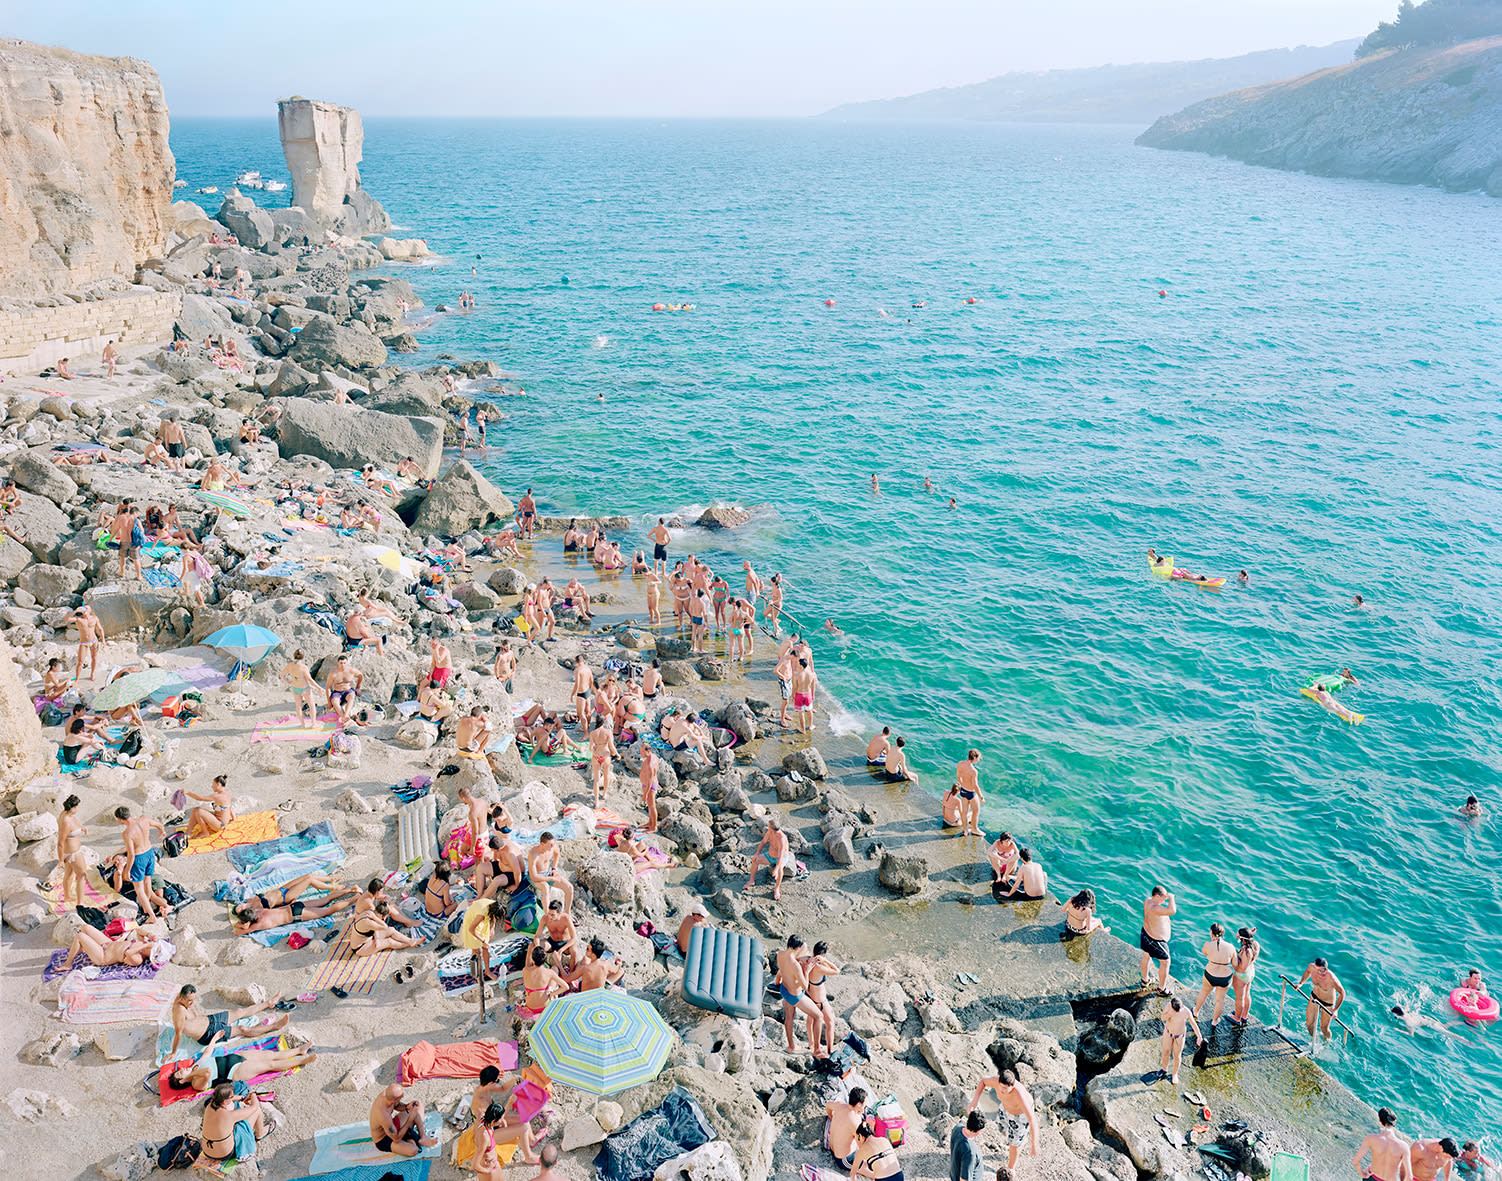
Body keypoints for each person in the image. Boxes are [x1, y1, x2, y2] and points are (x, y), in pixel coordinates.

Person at [169, 1030, 315, 1094]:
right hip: (235, 1072)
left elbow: (207, 1053)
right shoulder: (196, 1084)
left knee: (269, 1055)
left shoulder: (195, 1066)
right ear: (182, 1081)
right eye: (180, 1073)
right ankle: (302, 1060)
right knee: (270, 1065)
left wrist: (214, 1039)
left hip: (233, 1057)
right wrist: (191, 1075)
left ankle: (299, 1050)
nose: (182, 1069)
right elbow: (207, 1072)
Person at [168, 983, 287, 1058]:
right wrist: (173, 1053)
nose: (192, 1003)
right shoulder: (179, 1011)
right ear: (181, 998)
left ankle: (269, 1003)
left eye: (193, 999)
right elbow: (178, 1033)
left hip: (211, 1019)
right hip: (207, 1034)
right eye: (189, 1001)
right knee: (242, 1029)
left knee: (240, 1011)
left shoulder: (183, 996)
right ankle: (274, 1026)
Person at [115, 805, 169, 920]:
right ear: (129, 813)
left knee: (139, 889)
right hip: (150, 853)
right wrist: (162, 832)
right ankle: (147, 908)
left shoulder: (127, 833)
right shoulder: (144, 819)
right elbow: (160, 825)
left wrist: (128, 871)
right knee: (147, 882)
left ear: (120, 820)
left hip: (139, 858)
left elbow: (131, 854)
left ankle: (152, 916)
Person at [775, 935, 826, 1056]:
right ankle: (817, 1049)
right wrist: (807, 970)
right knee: (818, 1016)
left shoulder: (780, 954)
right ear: (797, 947)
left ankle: (791, 1046)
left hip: (784, 989)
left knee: (789, 1018)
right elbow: (804, 986)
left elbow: (782, 970)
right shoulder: (795, 965)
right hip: (795, 996)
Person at [231, 887, 358, 935]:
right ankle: (351, 889)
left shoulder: (259, 924)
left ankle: (354, 899)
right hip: (294, 906)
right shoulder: (259, 910)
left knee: (327, 911)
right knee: (325, 900)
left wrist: (242, 924)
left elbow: (237, 932)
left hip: (296, 915)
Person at [471, 1099, 545, 1173]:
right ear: (494, 1121)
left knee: (524, 1120)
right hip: (492, 1135)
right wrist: (488, 1171)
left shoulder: (486, 1114)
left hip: (492, 1127)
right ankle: (529, 1157)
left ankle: (532, 1140)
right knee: (523, 1128)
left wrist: (510, 1102)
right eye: (501, 1119)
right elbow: (475, 1165)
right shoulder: (485, 1137)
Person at [371, 1084, 438, 1158]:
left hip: (392, 1126)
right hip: (384, 1139)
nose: (403, 1097)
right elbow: (396, 1139)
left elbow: (396, 1105)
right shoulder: (383, 1115)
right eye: (401, 1097)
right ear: (393, 1100)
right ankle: (409, 1137)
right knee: (413, 1150)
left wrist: (407, 1106)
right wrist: (410, 1119)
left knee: (417, 1105)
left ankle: (423, 1137)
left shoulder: (387, 1095)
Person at [1191, 922, 1237, 1028]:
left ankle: (1196, 1012)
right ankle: (1215, 1020)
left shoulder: (1207, 945)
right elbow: (1235, 964)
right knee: (1219, 1000)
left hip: (1210, 974)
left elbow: (1204, 953)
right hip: (1225, 978)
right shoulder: (1231, 947)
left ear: (1212, 934)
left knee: (1204, 992)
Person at [1352, 1107, 1412, 1181]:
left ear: (1380, 1121)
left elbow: (1355, 1161)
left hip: (1372, 1178)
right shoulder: (1404, 1146)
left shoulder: (1371, 1138)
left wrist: (1363, 1174)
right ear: (1394, 1122)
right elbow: (1409, 1177)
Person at [802, 940, 840, 1056]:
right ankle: (829, 1051)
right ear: (823, 954)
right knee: (830, 1023)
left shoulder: (807, 960)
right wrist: (825, 961)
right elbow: (837, 971)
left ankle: (810, 1043)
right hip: (820, 1001)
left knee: (810, 1021)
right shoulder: (819, 967)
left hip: (811, 998)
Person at [348, 900, 422, 958]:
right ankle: (409, 944)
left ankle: (410, 941)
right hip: (360, 947)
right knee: (389, 941)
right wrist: (376, 919)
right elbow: (384, 927)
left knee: (392, 930)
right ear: (381, 915)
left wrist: (377, 939)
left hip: (367, 938)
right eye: (384, 918)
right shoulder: (370, 922)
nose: (384, 920)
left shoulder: (370, 911)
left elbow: (379, 929)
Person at [744, 816, 794, 901]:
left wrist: (776, 869)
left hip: (781, 858)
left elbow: (781, 856)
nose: (767, 827)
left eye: (768, 826)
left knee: (780, 869)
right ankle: (751, 881)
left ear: (772, 829)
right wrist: (756, 853)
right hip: (770, 856)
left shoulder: (782, 839)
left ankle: (777, 888)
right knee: (755, 860)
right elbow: (763, 842)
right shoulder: (770, 833)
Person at [1139, 885, 1177, 996]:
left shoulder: (1148, 901)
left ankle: (1145, 980)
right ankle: (1161, 989)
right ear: (1157, 895)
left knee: (1146, 956)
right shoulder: (1156, 908)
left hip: (1145, 933)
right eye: (1164, 897)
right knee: (1166, 962)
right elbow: (1172, 910)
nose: (1165, 899)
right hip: (1155, 940)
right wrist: (1172, 898)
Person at [1155, 996, 1202, 1085]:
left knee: (1177, 1055)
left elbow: (1193, 1024)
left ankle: (1174, 1074)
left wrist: (1199, 1036)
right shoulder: (1169, 1006)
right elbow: (1162, 1018)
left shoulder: (1186, 1011)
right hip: (1168, 1032)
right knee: (1166, 1051)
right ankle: (1164, 1069)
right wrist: (1170, 1014)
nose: (1178, 1012)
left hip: (1179, 1036)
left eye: (1179, 1010)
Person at [1297, 957, 1347, 1039]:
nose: (1318, 972)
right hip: (1314, 997)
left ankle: (1326, 1043)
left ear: (1326, 969)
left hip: (1328, 1003)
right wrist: (1300, 983)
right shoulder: (1312, 967)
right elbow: (1307, 972)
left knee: (1324, 1029)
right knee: (1309, 1025)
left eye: (1321, 970)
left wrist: (1335, 1010)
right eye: (1317, 970)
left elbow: (1342, 993)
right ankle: (1315, 1041)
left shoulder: (1331, 978)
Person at [526, 832, 574, 911]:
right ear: (542, 844)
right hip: (536, 876)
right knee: (545, 887)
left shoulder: (552, 847)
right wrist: (551, 879)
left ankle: (567, 913)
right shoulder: (533, 854)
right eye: (550, 845)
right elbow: (534, 877)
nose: (553, 846)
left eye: (553, 844)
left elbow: (557, 854)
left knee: (569, 887)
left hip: (548, 873)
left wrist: (554, 868)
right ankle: (547, 916)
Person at [519, 944, 569, 1020]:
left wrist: (529, 951)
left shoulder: (525, 970)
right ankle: (552, 993)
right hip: (544, 1006)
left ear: (533, 959)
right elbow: (566, 987)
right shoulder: (549, 972)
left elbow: (528, 965)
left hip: (530, 1006)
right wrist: (552, 994)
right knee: (555, 969)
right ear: (545, 959)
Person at [55, 794, 87, 909]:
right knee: (82, 875)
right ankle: (80, 902)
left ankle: (67, 896)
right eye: (78, 806)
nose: (79, 808)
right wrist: (60, 860)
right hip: (73, 853)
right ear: (73, 808)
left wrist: (81, 828)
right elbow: (60, 842)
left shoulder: (66, 813)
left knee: (69, 874)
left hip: (70, 853)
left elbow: (74, 825)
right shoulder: (66, 821)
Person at [535, 898, 580, 973]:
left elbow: (574, 938)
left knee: (574, 951)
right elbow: (537, 936)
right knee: (533, 946)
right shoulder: (545, 918)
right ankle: (538, 969)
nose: (550, 917)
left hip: (565, 943)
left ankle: (571, 974)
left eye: (553, 915)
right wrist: (537, 947)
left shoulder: (566, 918)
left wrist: (562, 949)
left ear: (559, 913)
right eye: (549, 913)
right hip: (552, 942)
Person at [183, 773, 234, 838]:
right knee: (195, 810)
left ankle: (205, 832)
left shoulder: (217, 796)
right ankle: (188, 832)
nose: (212, 786)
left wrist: (187, 792)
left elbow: (200, 798)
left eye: (213, 784)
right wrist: (233, 818)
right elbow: (229, 807)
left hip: (219, 825)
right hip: (220, 822)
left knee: (199, 811)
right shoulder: (227, 793)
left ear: (218, 784)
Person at [826, 1087, 868, 1168]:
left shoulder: (839, 1105)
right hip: (843, 1159)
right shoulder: (855, 1121)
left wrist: (831, 1116)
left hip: (832, 1148)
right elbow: (861, 1146)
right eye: (864, 1105)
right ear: (859, 1104)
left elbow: (827, 1105)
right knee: (867, 1168)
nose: (865, 1107)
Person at [588, 713, 619, 809]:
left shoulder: (593, 733)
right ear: (604, 722)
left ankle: (596, 802)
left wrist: (596, 749)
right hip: (605, 756)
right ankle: (604, 794)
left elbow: (590, 748)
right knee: (606, 776)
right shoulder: (608, 732)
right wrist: (617, 755)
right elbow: (611, 747)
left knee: (596, 780)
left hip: (596, 757)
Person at [1230, 926, 1260, 1025]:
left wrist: (1235, 956)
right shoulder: (1255, 944)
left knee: (1239, 998)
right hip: (1250, 973)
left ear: (1243, 939)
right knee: (1247, 995)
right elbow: (1249, 938)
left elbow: (1242, 967)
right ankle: (1244, 1016)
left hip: (1242, 975)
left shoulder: (1246, 951)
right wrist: (1250, 932)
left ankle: (1237, 1018)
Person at [67, 603, 103, 683]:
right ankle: (77, 678)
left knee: (94, 658)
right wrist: (75, 611)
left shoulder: (94, 618)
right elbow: (67, 619)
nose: (85, 610)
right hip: (84, 643)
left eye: (87, 608)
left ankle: (92, 674)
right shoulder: (78, 619)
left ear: (90, 610)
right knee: (80, 662)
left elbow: (100, 629)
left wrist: (103, 640)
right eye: (84, 608)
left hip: (94, 641)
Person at [280, 649, 317, 723]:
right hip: (304, 688)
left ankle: (302, 724)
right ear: (303, 657)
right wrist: (319, 688)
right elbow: (310, 680)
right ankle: (313, 724)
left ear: (294, 655)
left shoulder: (289, 665)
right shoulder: (303, 667)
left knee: (298, 707)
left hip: (295, 688)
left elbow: (281, 675)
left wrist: (288, 682)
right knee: (312, 706)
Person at [325, 655, 363, 724]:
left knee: (352, 696)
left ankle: (345, 715)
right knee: (334, 702)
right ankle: (344, 717)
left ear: (347, 663)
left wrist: (358, 687)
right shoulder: (333, 673)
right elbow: (328, 687)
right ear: (338, 663)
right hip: (337, 692)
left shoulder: (351, 670)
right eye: (341, 663)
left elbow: (360, 676)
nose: (343, 665)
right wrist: (329, 703)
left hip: (348, 691)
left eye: (344, 663)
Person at [950, 1110, 986, 1181]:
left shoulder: (957, 1128)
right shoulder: (970, 1152)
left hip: (954, 1173)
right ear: (979, 1131)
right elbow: (964, 1179)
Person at [955, 749, 983, 837]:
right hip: (971, 793)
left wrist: (962, 783)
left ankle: (965, 830)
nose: (978, 760)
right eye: (978, 758)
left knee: (964, 812)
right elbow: (975, 786)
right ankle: (975, 829)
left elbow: (958, 776)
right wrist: (981, 797)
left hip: (963, 791)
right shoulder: (973, 771)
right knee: (976, 812)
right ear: (974, 757)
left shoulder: (960, 763)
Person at [790, 657, 817, 734]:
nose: (797, 665)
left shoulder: (797, 675)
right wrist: (812, 695)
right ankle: (811, 726)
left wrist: (792, 695)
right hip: (808, 694)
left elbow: (794, 687)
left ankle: (803, 729)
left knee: (801, 713)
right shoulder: (812, 674)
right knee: (809, 711)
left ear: (801, 666)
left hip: (800, 695)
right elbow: (813, 686)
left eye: (798, 664)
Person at [639, 741, 661, 832]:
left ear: (648, 752)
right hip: (647, 784)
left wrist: (645, 794)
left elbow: (650, 780)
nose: (641, 754)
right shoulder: (654, 756)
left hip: (650, 786)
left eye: (642, 752)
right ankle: (650, 822)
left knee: (652, 806)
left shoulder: (650, 764)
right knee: (650, 806)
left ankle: (654, 827)